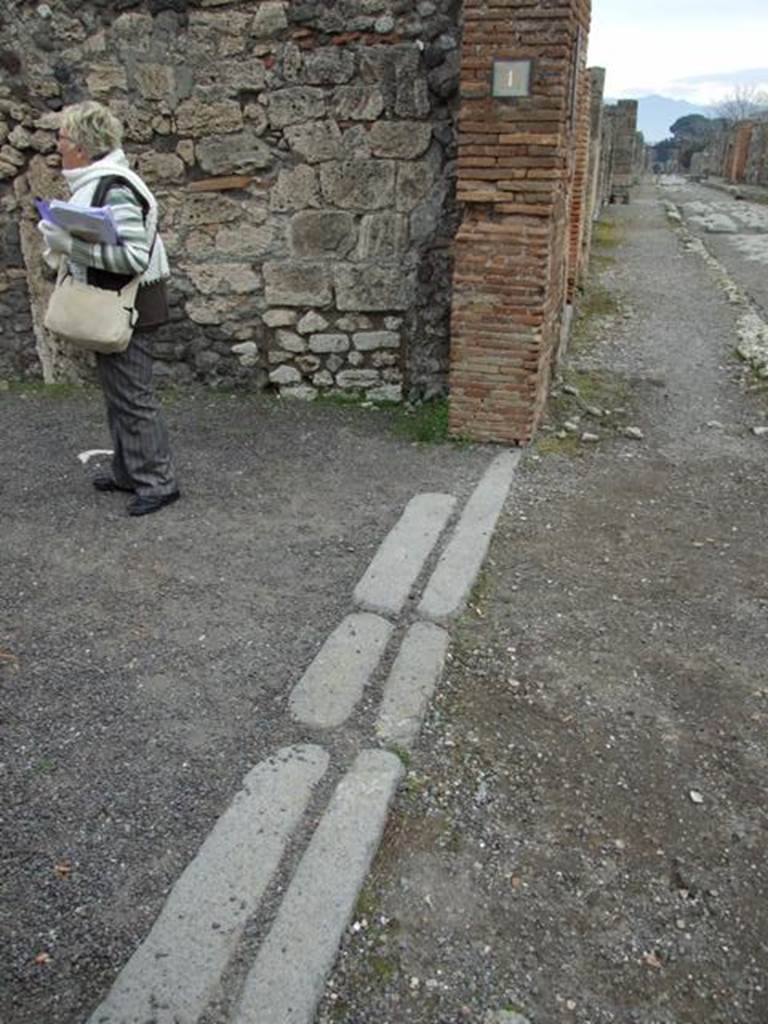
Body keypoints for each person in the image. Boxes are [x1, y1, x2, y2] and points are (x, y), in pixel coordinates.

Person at [38, 101, 180, 517]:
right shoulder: (98, 181)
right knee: (119, 394)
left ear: (81, 147)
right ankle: (128, 471)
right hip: (114, 302)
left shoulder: (115, 186)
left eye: (62, 139)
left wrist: (71, 246)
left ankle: (159, 482)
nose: (57, 146)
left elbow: (134, 258)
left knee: (133, 397)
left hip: (129, 305)